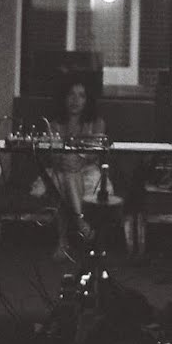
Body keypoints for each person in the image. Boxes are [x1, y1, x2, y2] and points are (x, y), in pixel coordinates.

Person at [29, 75, 117, 261]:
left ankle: (63, 242)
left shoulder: (97, 123)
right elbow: (51, 154)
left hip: (88, 171)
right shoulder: (54, 125)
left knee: (65, 180)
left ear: (87, 100)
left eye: (81, 95)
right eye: (71, 94)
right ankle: (81, 223)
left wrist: (78, 159)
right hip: (60, 170)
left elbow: (96, 151)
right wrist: (66, 160)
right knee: (64, 176)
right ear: (64, 97)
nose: (75, 100)